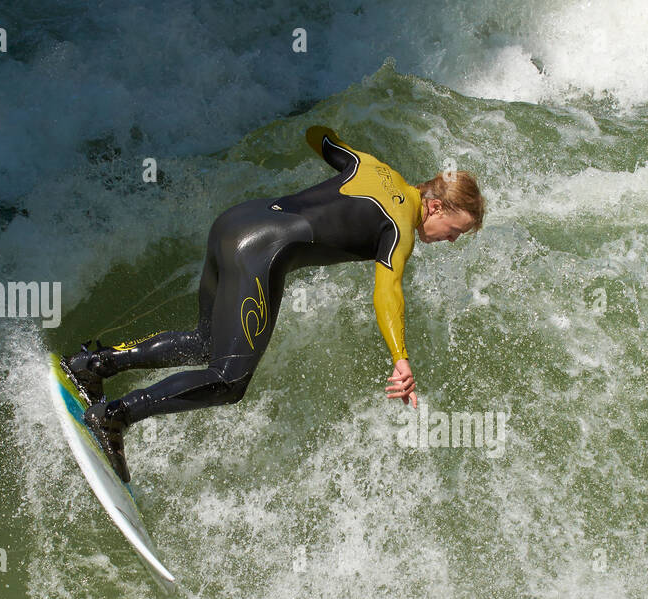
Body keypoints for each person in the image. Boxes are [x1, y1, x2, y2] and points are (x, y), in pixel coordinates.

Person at [60, 125, 485, 483]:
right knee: (228, 381)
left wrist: (327, 135)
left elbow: (319, 138)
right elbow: (387, 292)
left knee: (205, 342)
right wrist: (401, 357)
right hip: (261, 254)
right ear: (434, 205)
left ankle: (94, 365)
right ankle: (116, 414)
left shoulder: (371, 166)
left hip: (234, 222)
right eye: (454, 230)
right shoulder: (400, 227)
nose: (450, 240)